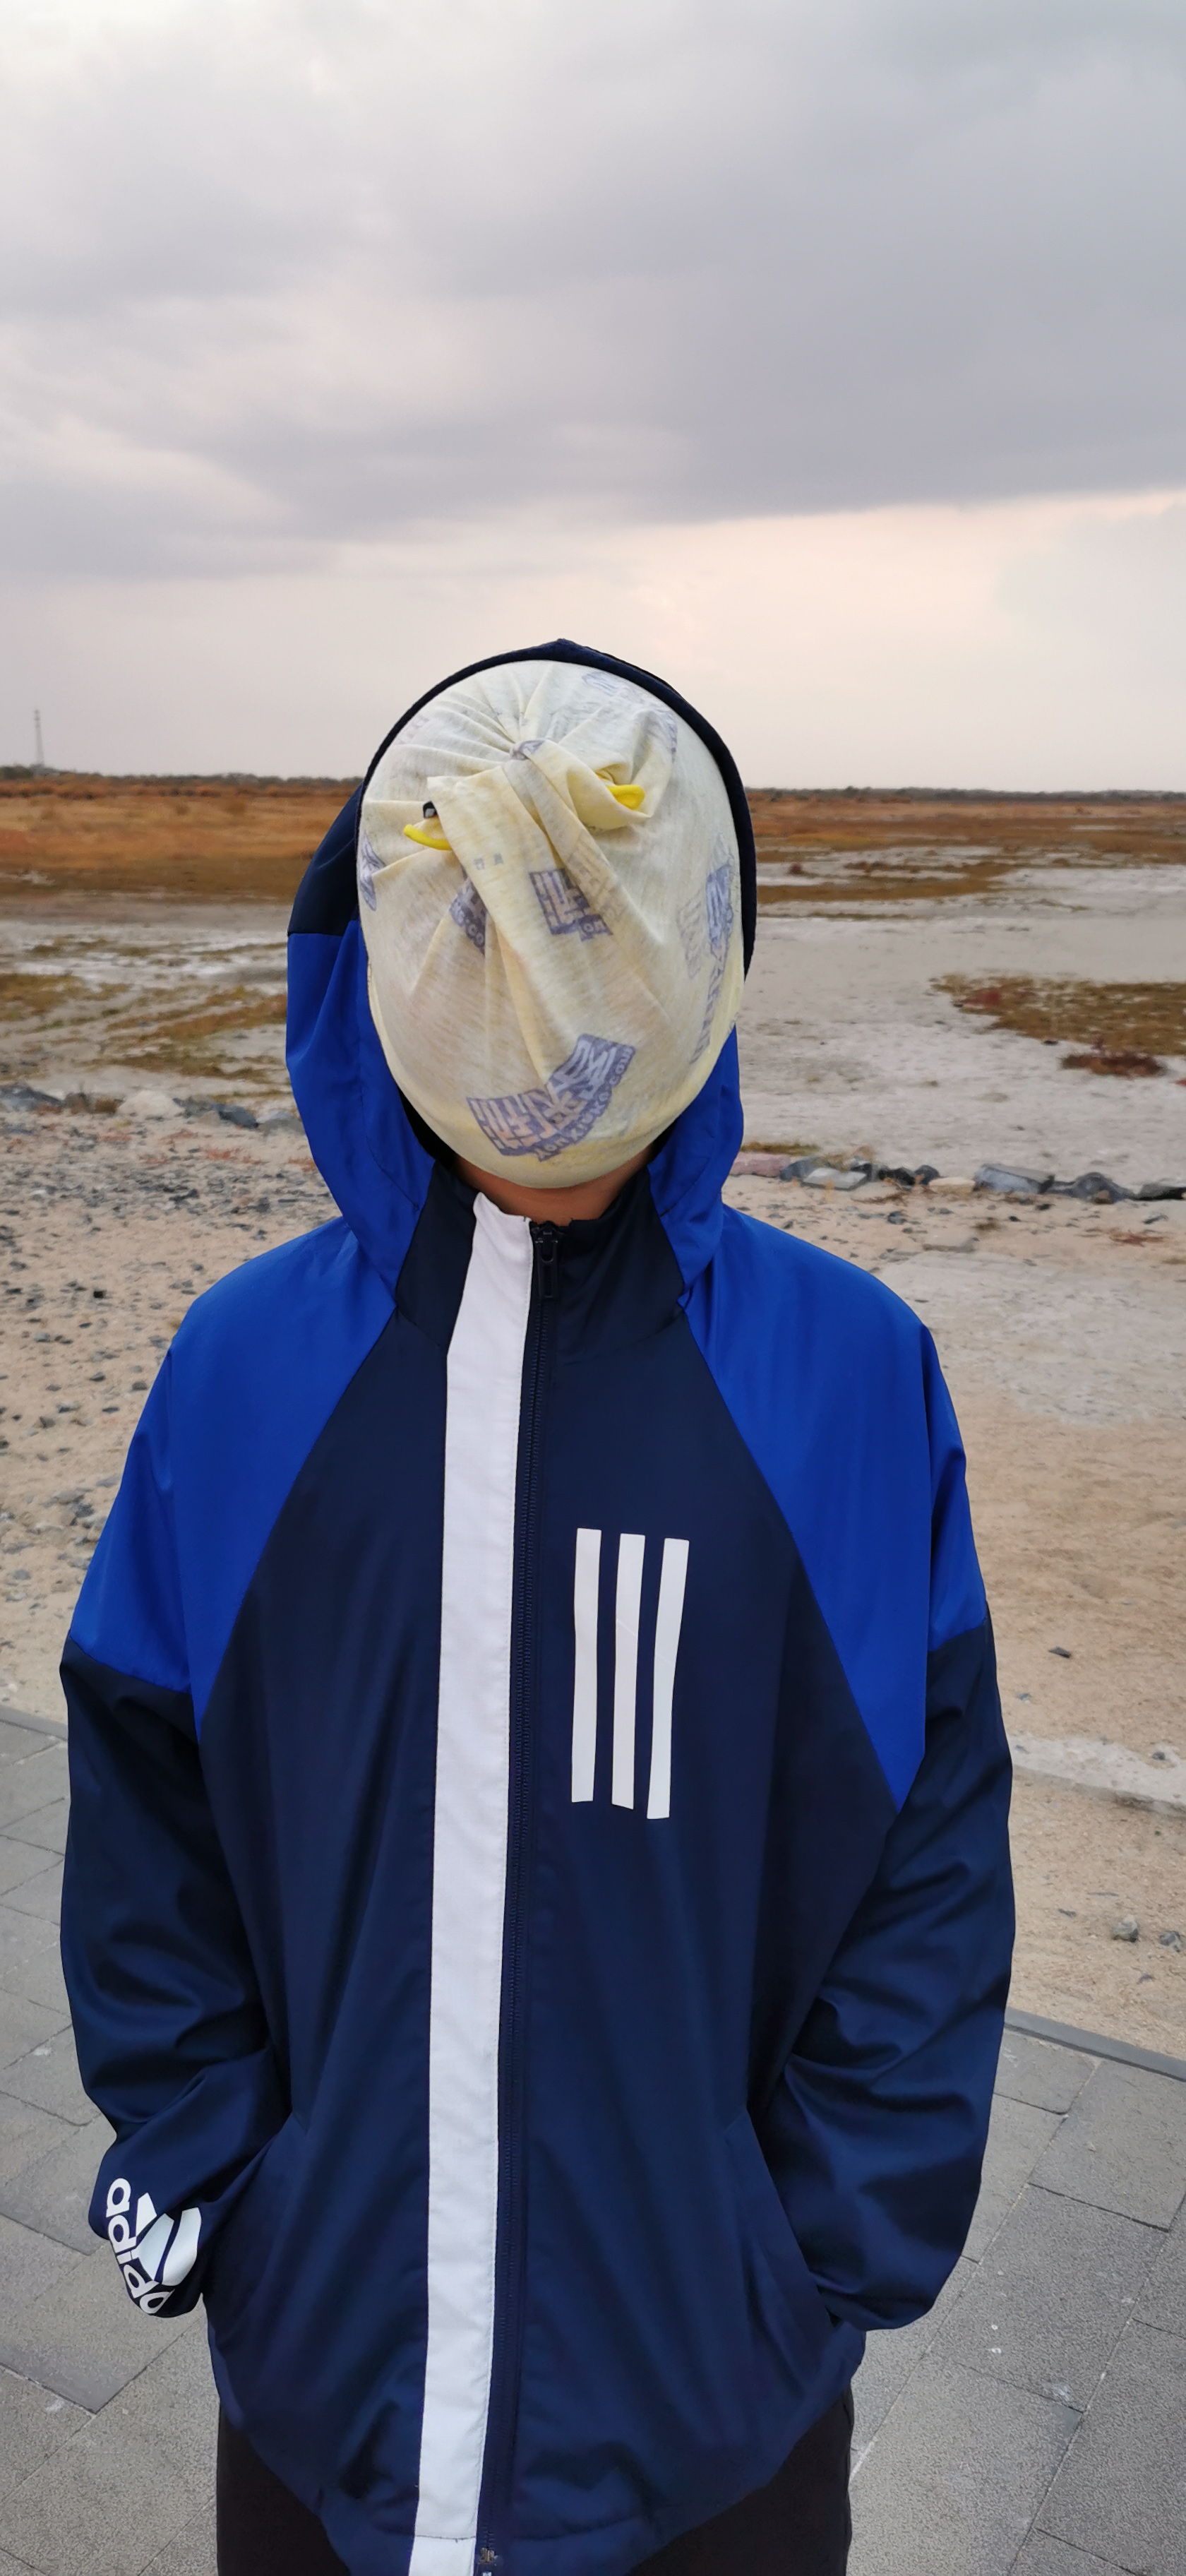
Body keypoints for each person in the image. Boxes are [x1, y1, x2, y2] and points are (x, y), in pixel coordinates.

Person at [60, 641, 1013, 2576]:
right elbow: (145, 1809)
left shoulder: (849, 1376)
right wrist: (223, 2183)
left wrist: (810, 2259)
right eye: (483, 913)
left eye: (589, 911)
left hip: (715, 2438)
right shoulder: (243, 1369)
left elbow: (932, 1849)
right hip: (328, 2416)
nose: (540, 982)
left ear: (696, 939)